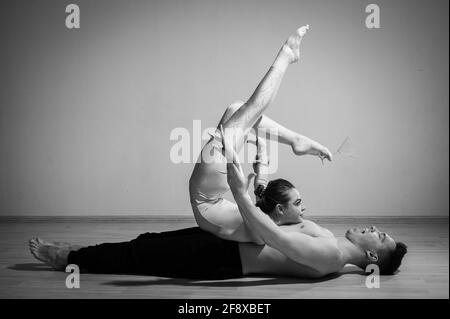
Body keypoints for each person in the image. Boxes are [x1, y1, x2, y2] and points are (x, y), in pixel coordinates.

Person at [28, 26, 407, 279]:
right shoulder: (327, 239)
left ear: (372, 257)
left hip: (222, 260)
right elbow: (272, 224)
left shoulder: (331, 257)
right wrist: (256, 177)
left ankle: (69, 258)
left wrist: (241, 189)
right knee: (146, 243)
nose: (375, 228)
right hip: (227, 239)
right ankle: (293, 136)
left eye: (381, 236)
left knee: (140, 256)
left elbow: (271, 236)